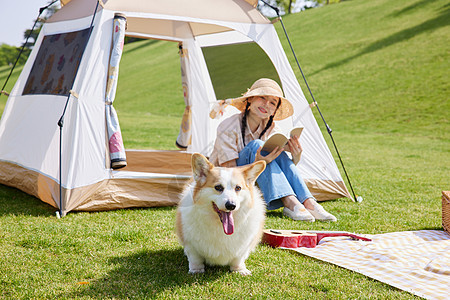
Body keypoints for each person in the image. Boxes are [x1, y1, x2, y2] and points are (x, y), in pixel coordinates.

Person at [209, 78, 337, 222]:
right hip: (227, 181)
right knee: (258, 145)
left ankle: (309, 202)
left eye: (272, 103)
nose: (266, 104)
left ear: (274, 111)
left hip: (254, 178)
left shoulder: (272, 128)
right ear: (250, 100)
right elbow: (229, 172)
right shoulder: (228, 126)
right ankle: (290, 203)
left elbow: (280, 166)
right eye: (262, 97)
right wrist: (257, 163)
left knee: (278, 148)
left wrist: (296, 156)